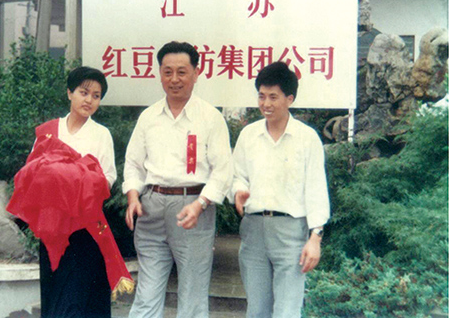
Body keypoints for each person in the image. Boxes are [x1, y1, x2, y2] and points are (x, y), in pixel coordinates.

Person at [7, 66, 132, 318]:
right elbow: (32, 174)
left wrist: (79, 181)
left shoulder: (101, 134)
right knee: (55, 295)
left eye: (96, 96)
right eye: (83, 92)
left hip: (85, 229)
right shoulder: (48, 131)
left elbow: (108, 178)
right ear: (69, 93)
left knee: (82, 298)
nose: (89, 100)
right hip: (53, 228)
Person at [123, 41, 233, 318]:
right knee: (146, 293)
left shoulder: (210, 118)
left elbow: (223, 171)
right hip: (151, 208)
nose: (174, 79)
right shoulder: (148, 117)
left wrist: (201, 204)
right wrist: (133, 196)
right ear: (159, 74)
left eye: (182, 72)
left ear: (196, 73)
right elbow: (133, 164)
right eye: (167, 72)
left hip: (193, 208)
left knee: (193, 294)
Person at [231, 61, 330, 318]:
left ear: (290, 99)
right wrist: (239, 191)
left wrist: (315, 238)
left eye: (273, 97)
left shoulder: (307, 138)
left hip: (291, 232)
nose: (266, 103)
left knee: (287, 310)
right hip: (253, 230)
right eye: (261, 96)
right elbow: (237, 176)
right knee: (257, 310)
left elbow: (316, 189)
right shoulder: (248, 135)